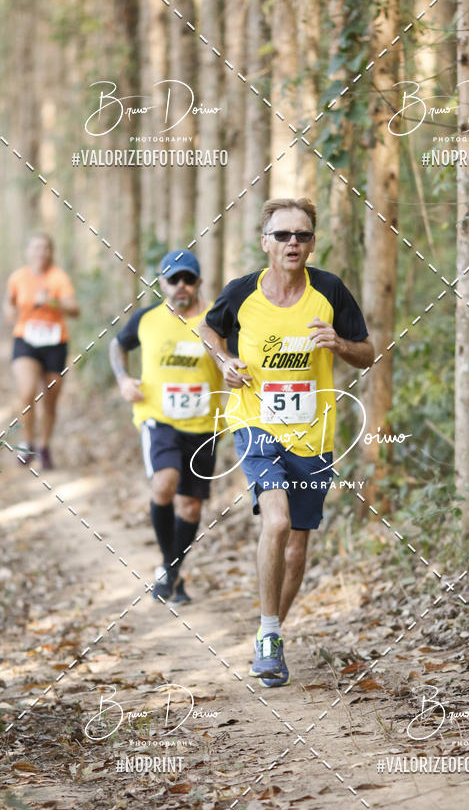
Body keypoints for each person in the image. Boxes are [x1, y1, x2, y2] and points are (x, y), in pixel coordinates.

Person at [201, 198, 374, 687]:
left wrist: (339, 344)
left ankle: (270, 630)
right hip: (255, 424)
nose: (292, 243)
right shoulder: (242, 292)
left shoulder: (330, 291)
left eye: (301, 235)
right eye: (282, 235)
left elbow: (369, 352)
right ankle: (270, 635)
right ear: (266, 243)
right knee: (275, 521)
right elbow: (210, 330)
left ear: (312, 243)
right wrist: (224, 362)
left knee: (297, 549)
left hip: (312, 435)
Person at [109, 249, 223, 604]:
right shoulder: (146, 319)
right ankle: (169, 569)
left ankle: (171, 570)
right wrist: (124, 379)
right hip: (157, 419)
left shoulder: (216, 320)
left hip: (204, 424)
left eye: (188, 279)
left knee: (190, 507)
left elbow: (234, 357)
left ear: (199, 282)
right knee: (165, 482)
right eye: (173, 279)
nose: (181, 286)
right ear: (161, 283)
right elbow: (117, 345)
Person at [3, 232, 80, 469]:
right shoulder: (18, 278)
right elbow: (9, 304)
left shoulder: (59, 278)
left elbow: (75, 310)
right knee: (27, 392)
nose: (41, 252)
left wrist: (52, 302)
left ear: (51, 252)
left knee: (50, 399)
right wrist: (10, 312)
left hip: (55, 342)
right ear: (28, 251)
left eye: (45, 248)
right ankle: (28, 444)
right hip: (25, 339)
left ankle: (45, 447)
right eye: (36, 247)